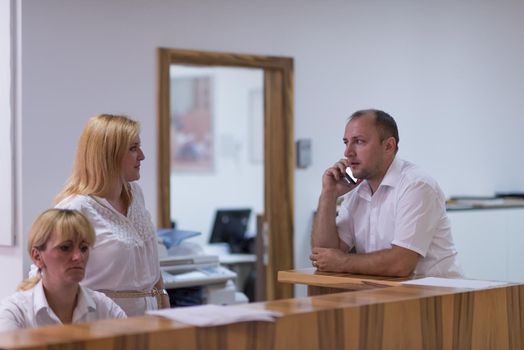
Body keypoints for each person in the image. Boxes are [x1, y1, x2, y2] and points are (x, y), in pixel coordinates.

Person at [310, 109, 463, 278]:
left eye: (359, 141)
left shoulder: (417, 185)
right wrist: (328, 194)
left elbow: (401, 264)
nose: (348, 152)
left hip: (439, 298)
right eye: (346, 143)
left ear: (388, 146)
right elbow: (324, 255)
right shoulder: (356, 191)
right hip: (388, 294)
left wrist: (343, 262)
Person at [54, 114, 170, 316]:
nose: (142, 156)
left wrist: (163, 298)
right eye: (133, 148)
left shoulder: (136, 194)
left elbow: (151, 261)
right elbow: (47, 277)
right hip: (103, 322)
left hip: (151, 318)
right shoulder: (76, 209)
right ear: (109, 155)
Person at [0, 209, 126, 330]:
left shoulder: (104, 307)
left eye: (84, 248)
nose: (78, 257)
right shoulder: (14, 313)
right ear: (37, 256)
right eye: (65, 248)